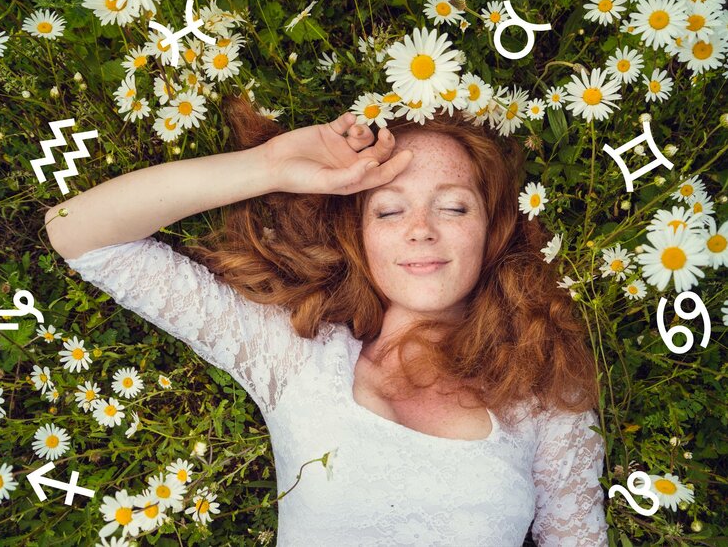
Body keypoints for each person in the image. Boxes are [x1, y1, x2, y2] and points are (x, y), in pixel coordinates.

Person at [44, 94, 608, 546]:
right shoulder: (295, 357)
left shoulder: (544, 393)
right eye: (389, 209)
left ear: (492, 230)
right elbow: (78, 232)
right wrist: (269, 166)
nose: (421, 228)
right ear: (360, 237)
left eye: (454, 206)